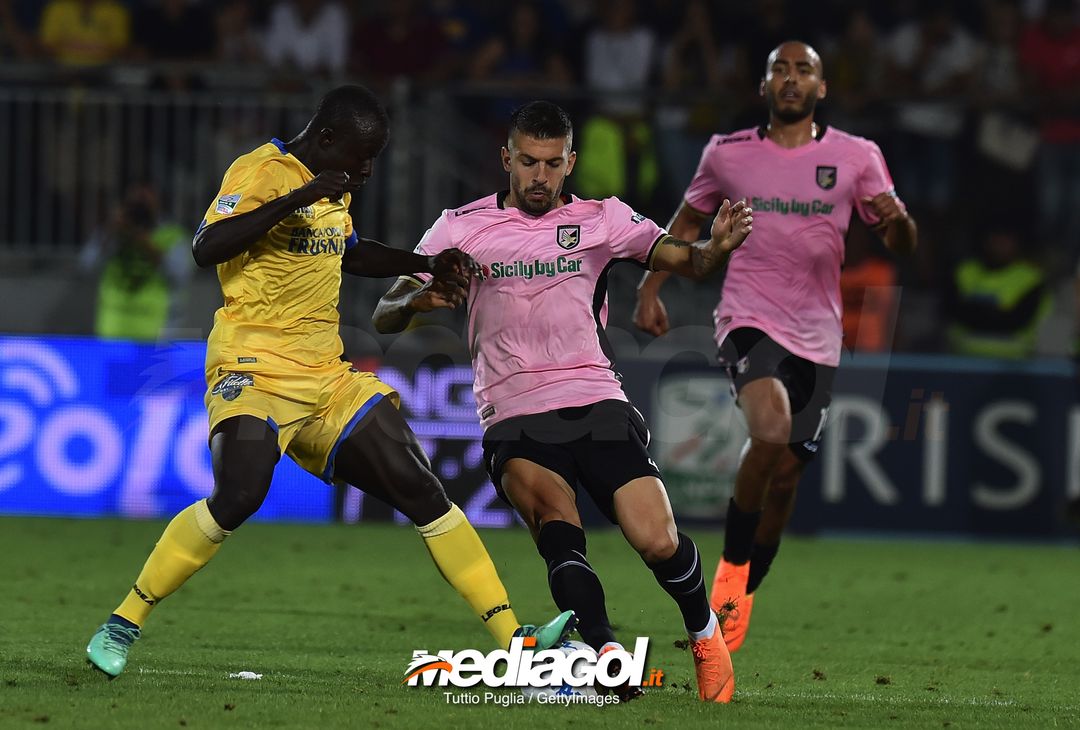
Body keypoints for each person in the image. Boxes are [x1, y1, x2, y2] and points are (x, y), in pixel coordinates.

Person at [85, 85, 574, 679]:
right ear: (325, 139)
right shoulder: (262, 170)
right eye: (361, 157)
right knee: (239, 495)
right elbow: (206, 246)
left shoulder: (332, 188)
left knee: (423, 490)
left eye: (374, 159)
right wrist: (299, 196)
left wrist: (424, 264)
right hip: (253, 365)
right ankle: (123, 622)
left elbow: (349, 252)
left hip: (325, 375)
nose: (367, 170)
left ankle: (515, 641)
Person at [374, 101, 753, 703]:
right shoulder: (459, 227)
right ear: (506, 158)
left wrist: (716, 247)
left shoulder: (603, 219)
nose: (540, 176)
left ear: (571, 163)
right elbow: (384, 312)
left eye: (552, 164)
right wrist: (417, 302)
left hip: (596, 398)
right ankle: (605, 652)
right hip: (513, 411)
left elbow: (690, 261)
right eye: (528, 161)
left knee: (657, 541)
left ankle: (704, 633)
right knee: (557, 524)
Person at [634, 41, 917, 653]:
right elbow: (687, 222)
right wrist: (650, 289)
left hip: (819, 335)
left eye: (803, 70)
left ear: (822, 87)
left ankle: (741, 598)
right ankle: (726, 584)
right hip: (748, 317)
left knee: (785, 478)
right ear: (763, 86)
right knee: (770, 429)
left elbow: (902, 241)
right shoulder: (727, 152)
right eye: (779, 70)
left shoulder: (857, 156)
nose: (791, 79)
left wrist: (897, 222)